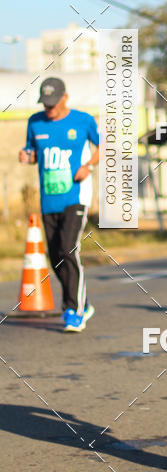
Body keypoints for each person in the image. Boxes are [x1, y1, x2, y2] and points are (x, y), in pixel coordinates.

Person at [19, 77, 99, 331]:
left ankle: (73, 310)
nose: (49, 108)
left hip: (76, 196)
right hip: (49, 199)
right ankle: (82, 303)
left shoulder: (83, 120)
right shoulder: (35, 122)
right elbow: (33, 153)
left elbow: (104, 146)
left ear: (65, 97)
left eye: (53, 103)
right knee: (55, 257)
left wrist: (89, 166)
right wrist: (27, 156)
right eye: (45, 103)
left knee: (67, 248)